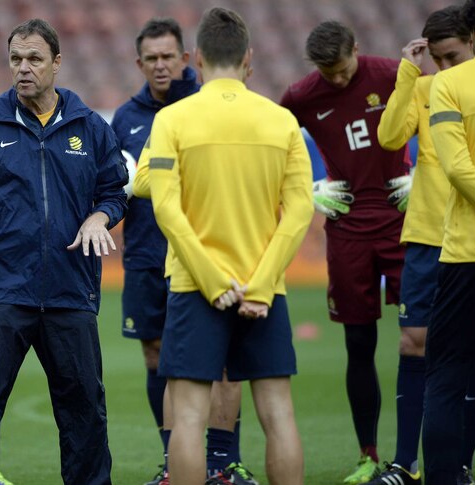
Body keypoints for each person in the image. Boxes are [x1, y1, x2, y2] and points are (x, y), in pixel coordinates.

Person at [0, 18, 128, 485]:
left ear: (57, 63)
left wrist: (99, 217)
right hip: (0, 291)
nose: (24, 69)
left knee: (84, 416)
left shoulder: (90, 127)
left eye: (35, 59)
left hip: (70, 291)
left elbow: (115, 191)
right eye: (16, 60)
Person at [147, 7, 311, 485]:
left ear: (196, 59)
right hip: (264, 289)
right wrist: (259, 285)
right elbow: (300, 211)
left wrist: (214, 280)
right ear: (249, 60)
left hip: (195, 287)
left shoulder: (172, 119)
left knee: (190, 419)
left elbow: (165, 210)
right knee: (278, 414)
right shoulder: (280, 121)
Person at [113, 18, 256, 485]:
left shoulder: (204, 105)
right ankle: (175, 463)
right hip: (146, 256)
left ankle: (222, 463)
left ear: (186, 58)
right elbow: (123, 187)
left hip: (206, 259)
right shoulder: (126, 119)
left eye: (167, 56)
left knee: (222, 362)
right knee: (158, 358)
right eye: (150, 58)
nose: (159, 65)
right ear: (139, 63)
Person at [280, 20, 411, 484]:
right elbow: (271, 145)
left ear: (357, 48)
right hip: (348, 229)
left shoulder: (394, 75)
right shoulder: (301, 96)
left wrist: (425, 178)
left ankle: (417, 454)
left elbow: (442, 122)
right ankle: (368, 455)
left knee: (421, 339)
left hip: (404, 220)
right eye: (326, 72)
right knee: (359, 345)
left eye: (341, 68)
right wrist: (306, 188)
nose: (336, 79)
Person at [371, 7, 475, 485]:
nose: (444, 67)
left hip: (472, 238)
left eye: (451, 56)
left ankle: (457, 463)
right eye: (436, 59)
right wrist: (407, 73)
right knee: (413, 344)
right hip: (425, 236)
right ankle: (405, 462)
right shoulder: (422, 86)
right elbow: (389, 136)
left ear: (473, 45)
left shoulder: (474, 85)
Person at [423, 0, 475, 482]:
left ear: (471, 33)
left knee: (446, 377)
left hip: (471, 253)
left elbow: (458, 168)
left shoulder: (450, 83)